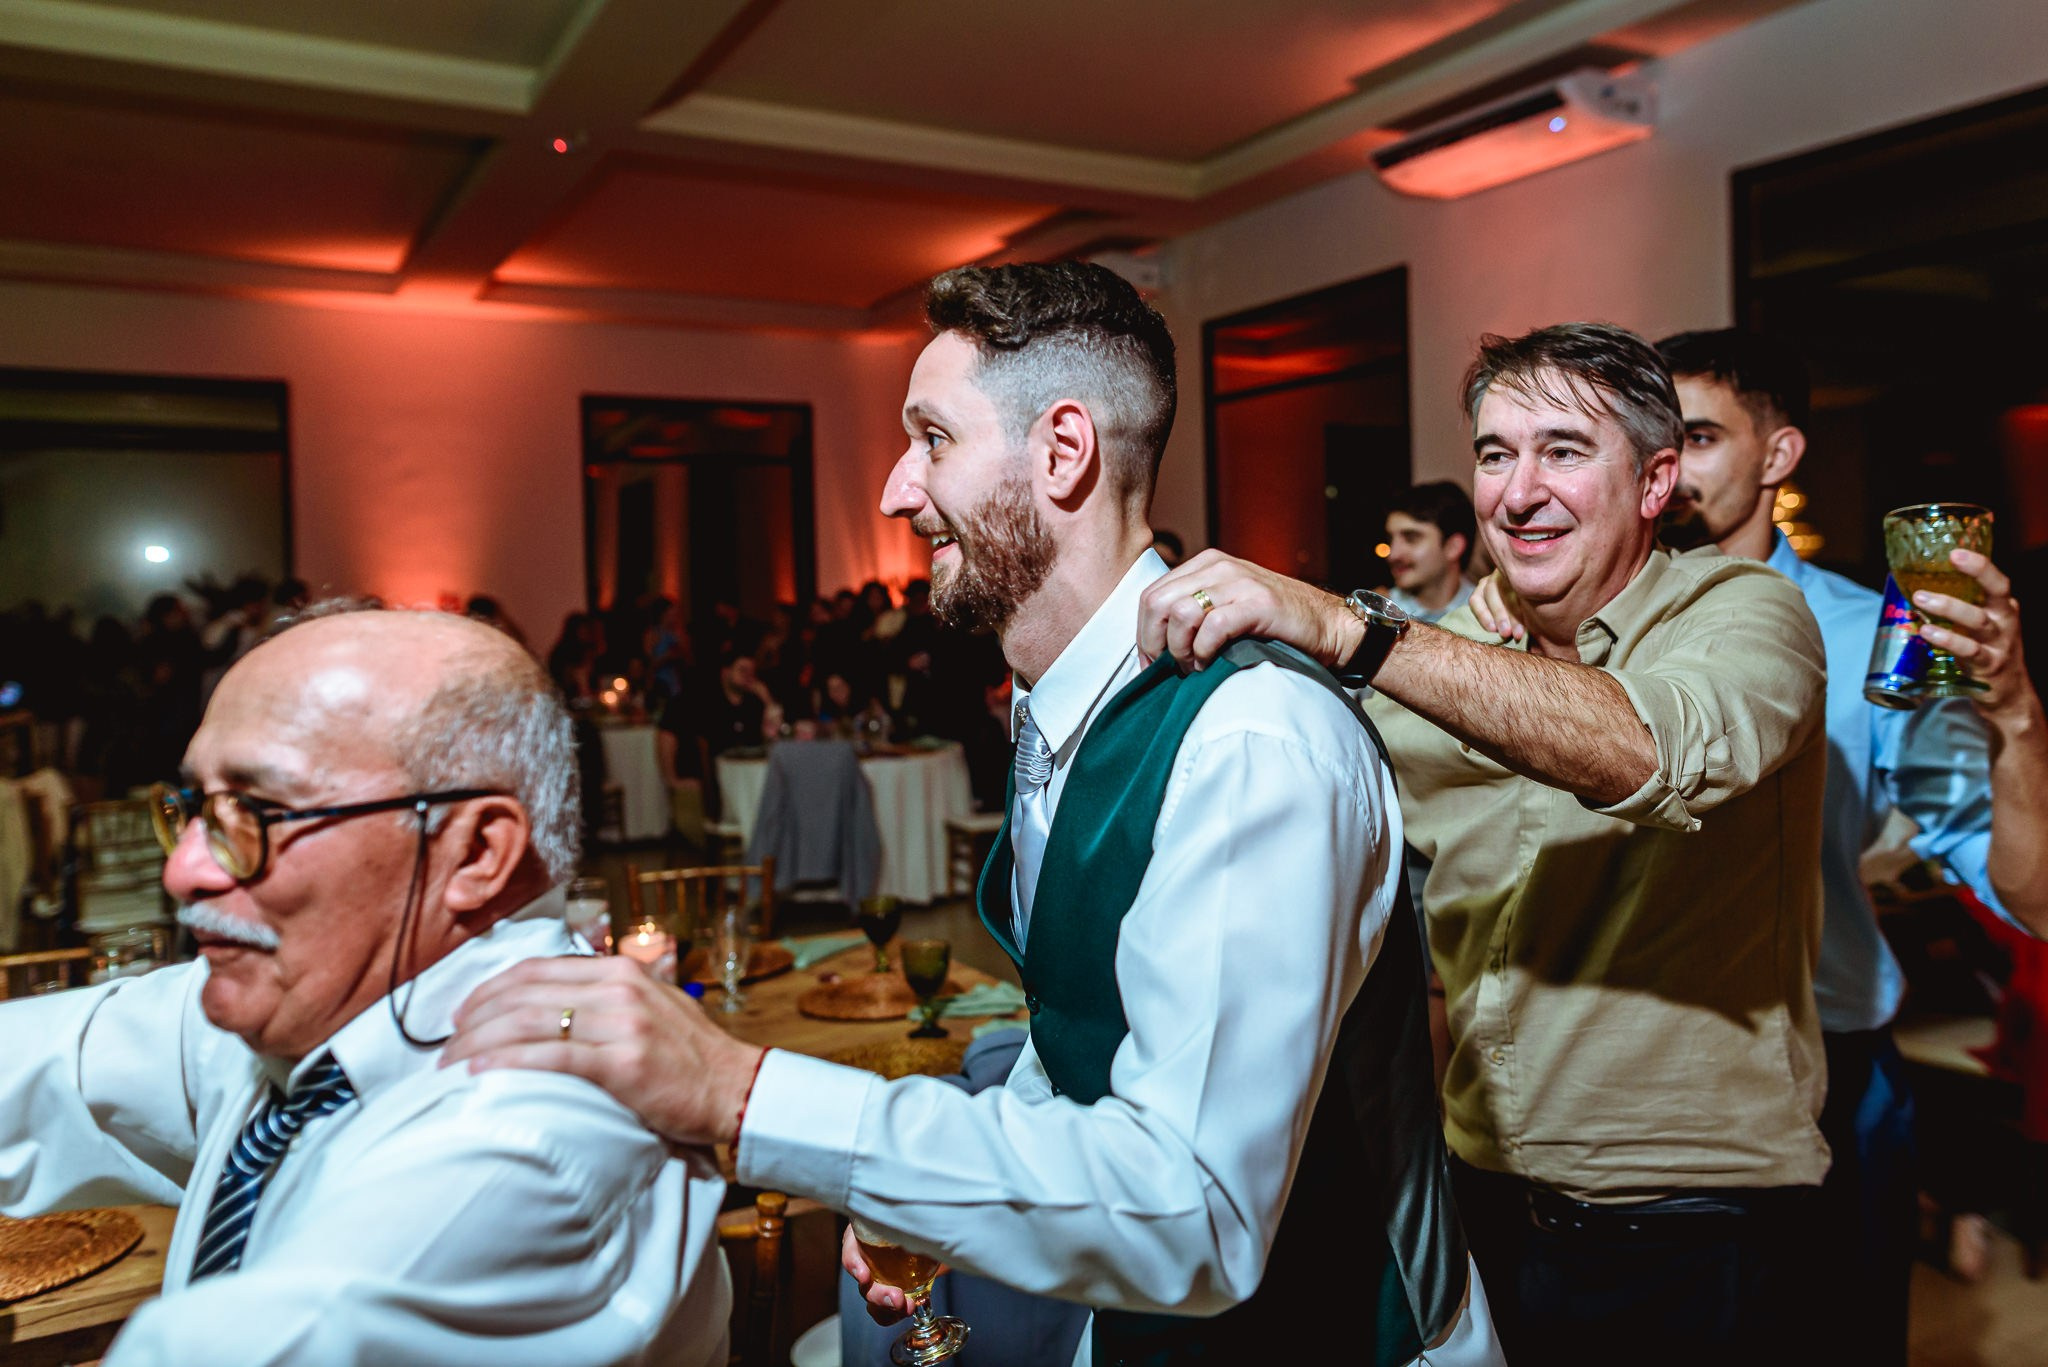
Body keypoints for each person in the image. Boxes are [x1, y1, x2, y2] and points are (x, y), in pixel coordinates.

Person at [448, 262, 1500, 1367]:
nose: (896, 492)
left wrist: (738, 1090)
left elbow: (1195, 1209)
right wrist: (921, 1189)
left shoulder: (1249, 740)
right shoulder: (1061, 709)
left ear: (1062, 449)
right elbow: (1078, 1044)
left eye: (932, 439)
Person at [1135, 322, 1831, 1366]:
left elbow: (1651, 750)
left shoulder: (1745, 611)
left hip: (1692, 1216)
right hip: (1476, 1190)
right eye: (1496, 454)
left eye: (1563, 450)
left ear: (1654, 482)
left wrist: (1358, 631)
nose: (1517, 491)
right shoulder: (1439, 649)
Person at [1465, 327, 2048, 1363]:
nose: (1672, 466)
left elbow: (2022, 889)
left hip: (1822, 1064)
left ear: (1778, 454)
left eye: (1697, 437)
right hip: (1621, 1091)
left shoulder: (1877, 634)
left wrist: (2013, 715)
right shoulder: (1551, 615)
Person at [0, 605, 728, 1366]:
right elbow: (47, 1064)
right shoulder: (316, 1003)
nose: (183, 869)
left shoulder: (527, 1140)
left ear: (476, 852)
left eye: (257, 811)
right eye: (195, 809)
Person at [1383, 481, 1478, 623]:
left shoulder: (1490, 614)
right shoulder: (1383, 613)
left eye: (1411, 538)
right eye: (1390, 539)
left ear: (1453, 547)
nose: (1393, 555)